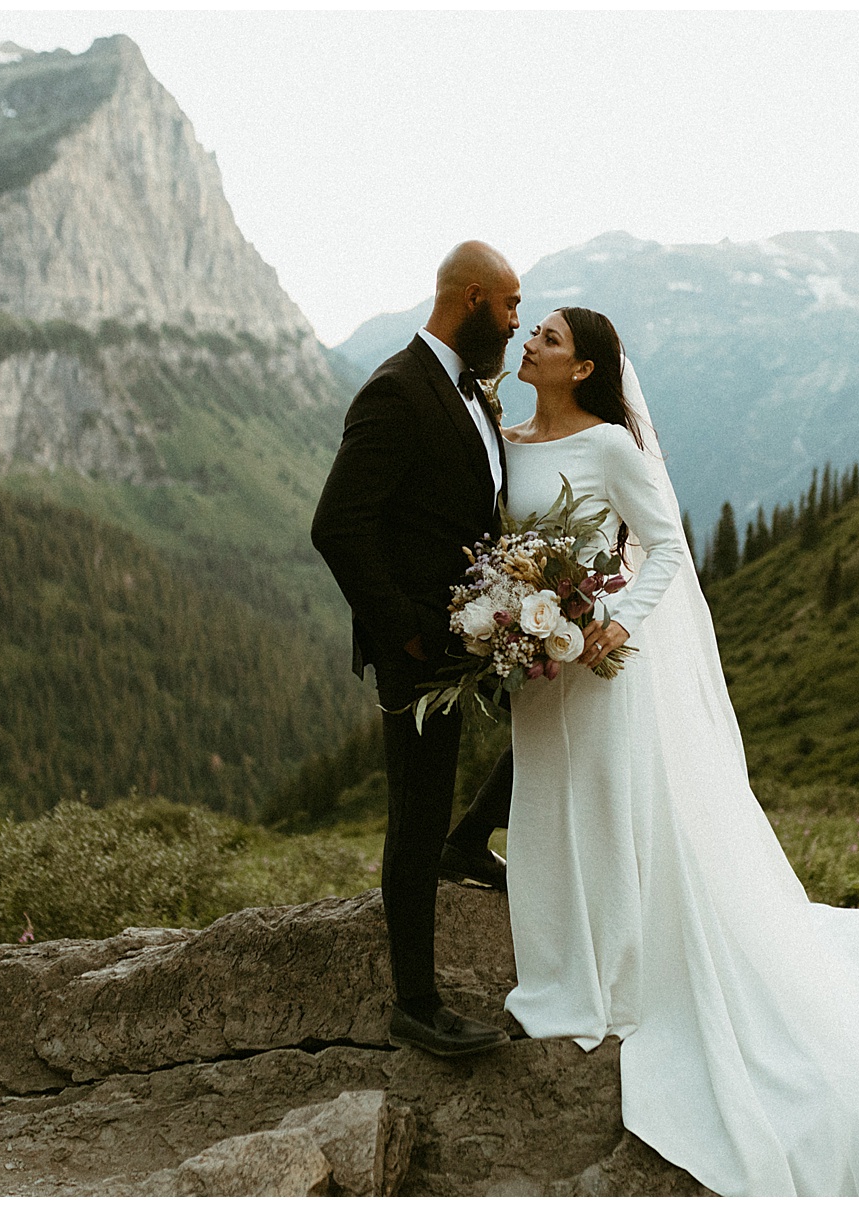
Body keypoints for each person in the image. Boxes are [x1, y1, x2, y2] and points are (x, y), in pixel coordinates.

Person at [497, 306, 859, 1195]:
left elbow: (666, 548)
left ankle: (617, 973)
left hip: (598, 660)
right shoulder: (509, 434)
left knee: (610, 802)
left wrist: (612, 623)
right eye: (531, 329)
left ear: (582, 370)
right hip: (536, 665)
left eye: (550, 338)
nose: (531, 340)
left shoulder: (613, 446)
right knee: (547, 797)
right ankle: (562, 959)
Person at [310, 241, 521, 1059]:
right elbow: (336, 525)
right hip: (416, 647)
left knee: (556, 719)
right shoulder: (396, 390)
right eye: (507, 306)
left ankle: (469, 841)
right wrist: (403, 627)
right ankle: (416, 1001)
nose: (514, 321)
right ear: (471, 298)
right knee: (414, 810)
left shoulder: (475, 393)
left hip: (478, 631)